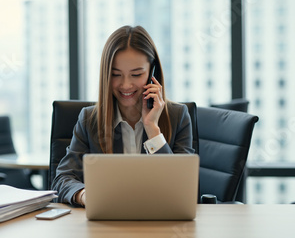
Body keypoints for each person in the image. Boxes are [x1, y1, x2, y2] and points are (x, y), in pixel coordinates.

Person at [51, 25, 194, 207]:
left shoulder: (177, 116)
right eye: (116, 74)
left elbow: (182, 187)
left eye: (136, 74)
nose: (126, 85)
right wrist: (85, 195)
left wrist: (153, 130)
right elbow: (63, 178)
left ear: (152, 72)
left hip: (161, 223)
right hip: (106, 224)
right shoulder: (89, 120)